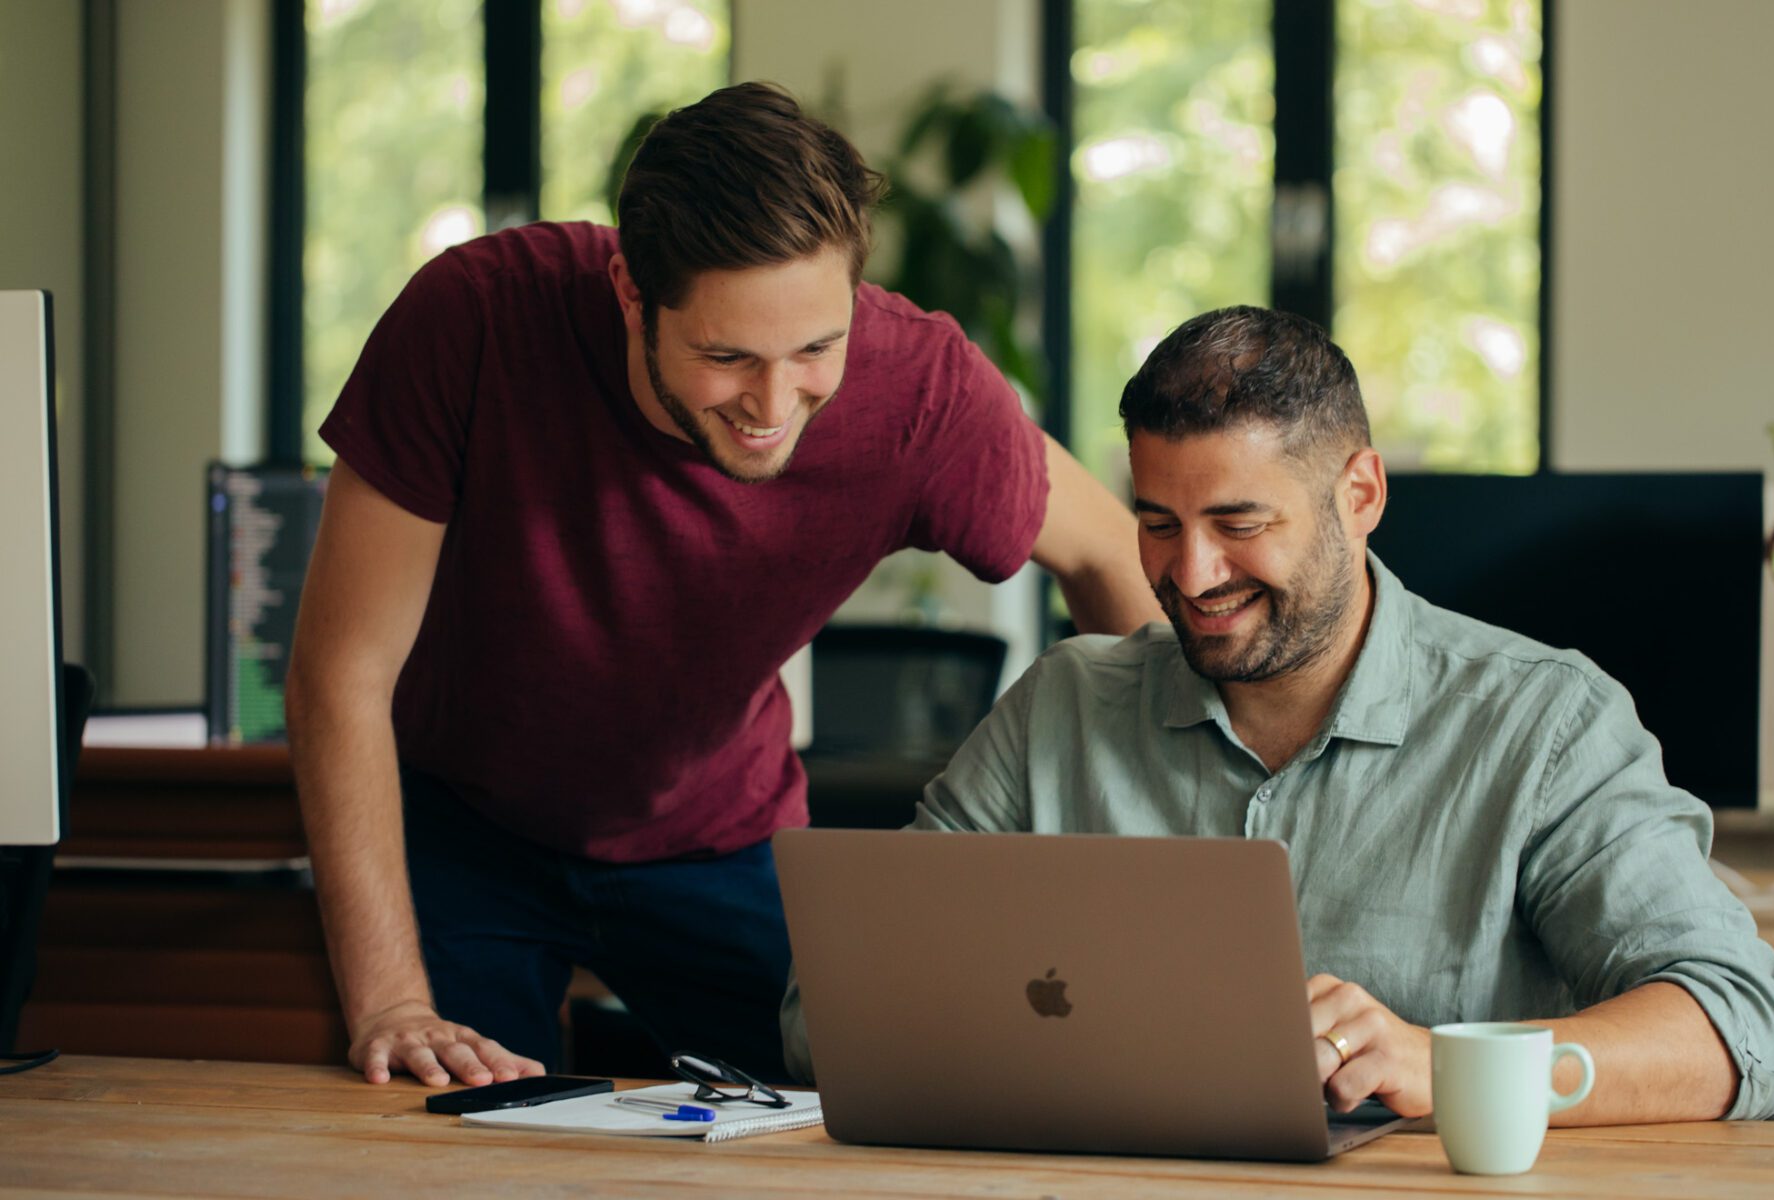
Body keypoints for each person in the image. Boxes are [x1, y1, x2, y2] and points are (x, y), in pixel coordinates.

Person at [285, 83, 1161, 1091]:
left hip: (716, 830)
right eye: (726, 355)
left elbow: (1110, 555)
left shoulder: (918, 389)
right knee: (450, 1129)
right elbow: (340, 669)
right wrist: (392, 1001)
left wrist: (1149, 882)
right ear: (629, 291)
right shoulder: (472, 320)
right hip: (462, 827)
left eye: (814, 350)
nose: (773, 402)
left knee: (860, 1104)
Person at [781, 306, 1774, 1123]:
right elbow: (825, 1015)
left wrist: (1435, 1064)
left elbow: (1729, 1027)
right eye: (1157, 524)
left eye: (1237, 523)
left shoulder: (1541, 725)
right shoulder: (1062, 705)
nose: (1190, 574)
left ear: (1359, 493)